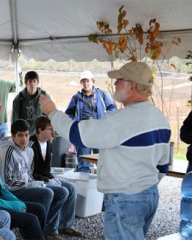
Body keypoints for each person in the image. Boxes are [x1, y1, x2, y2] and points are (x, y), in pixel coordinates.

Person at [39, 62, 171, 240]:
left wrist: (52, 113)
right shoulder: (160, 118)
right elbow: (163, 166)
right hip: (149, 195)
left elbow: (78, 135)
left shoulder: (122, 120)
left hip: (125, 199)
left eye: (119, 80)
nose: (114, 84)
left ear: (132, 85)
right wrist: (143, 185)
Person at [0, 119, 70, 240]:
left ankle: (47, 229)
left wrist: (37, 183)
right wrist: (28, 183)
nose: (24, 139)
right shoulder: (8, 151)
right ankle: (35, 232)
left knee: (62, 192)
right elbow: (6, 183)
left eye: (26, 135)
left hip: (25, 186)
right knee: (47, 193)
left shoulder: (29, 150)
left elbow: (29, 174)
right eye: (20, 135)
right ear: (13, 136)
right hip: (12, 191)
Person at [0, 124, 45, 239]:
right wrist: (14, 205)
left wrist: (18, 203)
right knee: (31, 220)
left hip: (0, 202)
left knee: (39, 209)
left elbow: (2, 189)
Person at [28, 116, 82, 237]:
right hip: (34, 181)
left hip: (45, 178)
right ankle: (50, 229)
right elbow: (30, 173)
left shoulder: (48, 143)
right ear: (39, 130)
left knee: (71, 188)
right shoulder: (31, 144)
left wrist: (52, 178)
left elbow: (46, 169)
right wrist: (48, 180)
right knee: (61, 192)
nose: (53, 132)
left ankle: (66, 225)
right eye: (49, 129)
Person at [65, 70, 116, 172]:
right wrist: (76, 121)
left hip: (99, 135)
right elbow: (68, 114)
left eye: (87, 81)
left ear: (93, 81)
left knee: (104, 164)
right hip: (83, 136)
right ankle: (83, 186)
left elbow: (112, 109)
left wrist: (102, 118)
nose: (86, 84)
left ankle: (104, 187)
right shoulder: (76, 98)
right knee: (83, 166)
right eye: (83, 81)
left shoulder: (102, 95)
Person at [0, 62, 20, 138]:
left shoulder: (4, 84)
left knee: (3, 148)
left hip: (3, 124)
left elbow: (18, 85)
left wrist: (18, 70)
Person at [11, 71, 50, 136]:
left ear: (37, 83)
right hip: (24, 136)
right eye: (30, 81)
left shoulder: (44, 96)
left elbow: (50, 116)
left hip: (40, 135)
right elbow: (14, 120)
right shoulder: (18, 99)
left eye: (34, 81)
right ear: (26, 83)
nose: (32, 84)